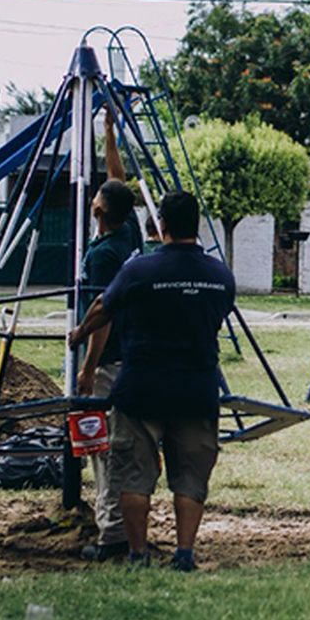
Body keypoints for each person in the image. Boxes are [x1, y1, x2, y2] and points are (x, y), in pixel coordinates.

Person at [67, 191, 237, 572]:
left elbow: (102, 308)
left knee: (134, 476)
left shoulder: (140, 270)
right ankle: (184, 554)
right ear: (196, 224)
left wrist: (79, 335)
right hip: (196, 388)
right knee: (191, 476)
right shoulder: (219, 276)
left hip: (142, 388)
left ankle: (138, 554)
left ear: (161, 225)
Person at [75, 110, 142, 561]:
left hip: (111, 358)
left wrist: (87, 367)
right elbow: (116, 178)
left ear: (98, 209)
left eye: (97, 195)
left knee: (104, 447)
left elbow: (105, 317)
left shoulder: (104, 256)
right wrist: (109, 132)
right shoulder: (129, 231)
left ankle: (111, 533)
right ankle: (117, 524)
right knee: (117, 442)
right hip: (133, 356)